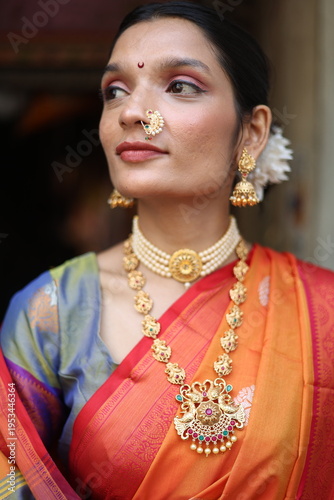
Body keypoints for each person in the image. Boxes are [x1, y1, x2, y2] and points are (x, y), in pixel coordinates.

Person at [0, 2, 333, 499]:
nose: (132, 112)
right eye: (116, 92)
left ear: (252, 132)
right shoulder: (50, 312)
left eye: (180, 86)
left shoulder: (322, 311)